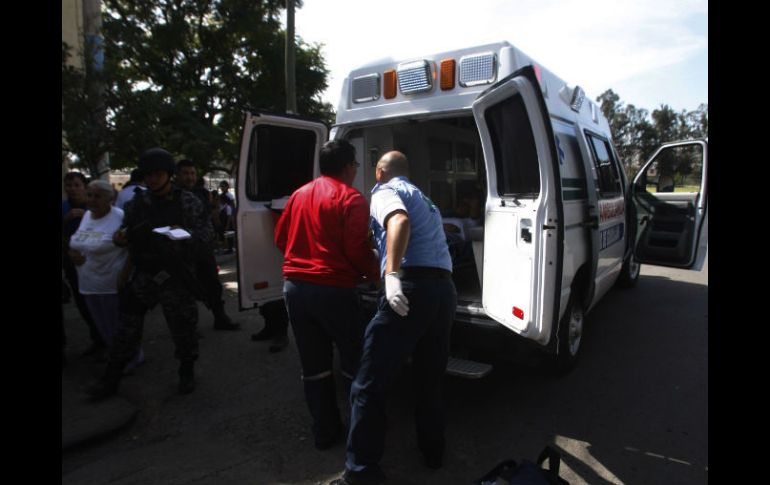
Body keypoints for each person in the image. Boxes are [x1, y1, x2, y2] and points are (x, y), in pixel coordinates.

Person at [334, 151, 457, 485]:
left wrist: (391, 274)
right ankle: (434, 453)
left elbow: (398, 222)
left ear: (378, 172)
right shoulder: (425, 199)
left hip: (411, 288)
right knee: (429, 377)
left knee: (369, 383)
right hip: (443, 291)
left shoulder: (385, 192)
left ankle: (361, 472)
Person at [87, 148, 216, 400]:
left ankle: (186, 371)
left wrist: (184, 235)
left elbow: (207, 235)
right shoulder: (138, 204)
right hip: (145, 272)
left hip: (175, 274)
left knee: (183, 328)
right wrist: (121, 237)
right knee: (126, 328)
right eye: (149, 175)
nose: (153, 179)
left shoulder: (187, 202)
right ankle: (111, 378)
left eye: (158, 174)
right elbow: (125, 234)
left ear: (168, 175)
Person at [275, 139, 379, 450]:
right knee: (353, 360)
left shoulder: (298, 195)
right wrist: (378, 273)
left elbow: (281, 238)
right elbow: (357, 249)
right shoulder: (351, 198)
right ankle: (363, 434)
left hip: (295, 288)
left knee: (314, 365)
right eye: (356, 165)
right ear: (349, 167)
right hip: (334, 289)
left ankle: (325, 431)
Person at [68, 180, 144, 373]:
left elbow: (133, 249)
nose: (92, 200)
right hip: (88, 283)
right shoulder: (86, 216)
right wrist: (72, 254)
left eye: (97, 196)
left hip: (112, 283)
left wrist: (125, 275)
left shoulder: (119, 217)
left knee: (119, 325)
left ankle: (131, 357)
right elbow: (78, 242)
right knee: (102, 326)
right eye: (90, 195)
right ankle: (115, 356)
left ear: (110, 198)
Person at [175, 159, 239, 330]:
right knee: (186, 289)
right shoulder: (172, 196)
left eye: (192, 173)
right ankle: (189, 328)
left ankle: (220, 318)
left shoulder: (201, 193)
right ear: (177, 175)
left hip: (203, 248)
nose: (190, 177)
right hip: (183, 251)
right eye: (186, 173)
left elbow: (211, 215)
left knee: (213, 284)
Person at [62, 171, 105, 357]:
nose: (72, 189)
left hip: (97, 264)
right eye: (69, 185)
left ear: (85, 187)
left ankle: (107, 340)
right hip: (72, 264)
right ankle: (97, 339)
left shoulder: (94, 207)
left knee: (100, 304)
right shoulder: (64, 208)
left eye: (77, 185)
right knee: (83, 303)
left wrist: (87, 214)